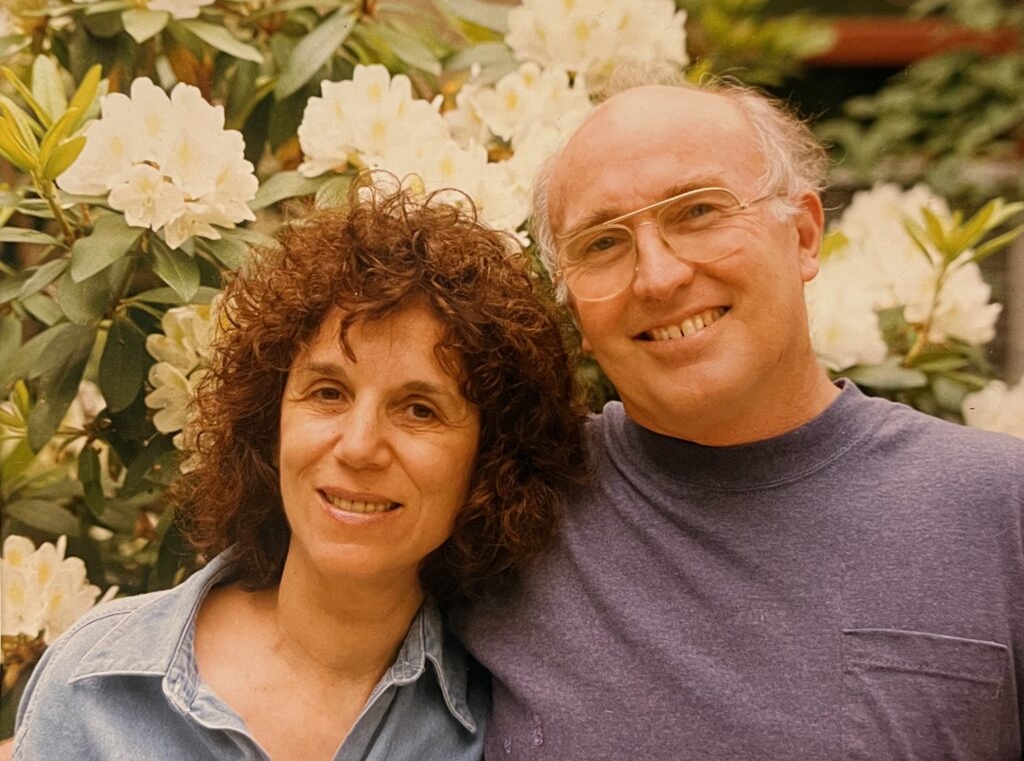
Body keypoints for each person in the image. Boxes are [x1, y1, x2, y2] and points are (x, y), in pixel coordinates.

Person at [457, 82, 1024, 760]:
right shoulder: (509, 510)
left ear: (806, 234)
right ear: (572, 307)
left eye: (697, 211)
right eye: (603, 243)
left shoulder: (998, 510)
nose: (659, 277)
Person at [12, 185, 587, 760]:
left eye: (419, 409)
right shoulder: (96, 685)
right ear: (271, 419)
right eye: (329, 392)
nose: (360, 447)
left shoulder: (497, 729)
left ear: (490, 461)